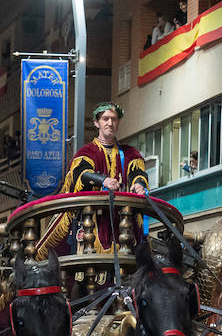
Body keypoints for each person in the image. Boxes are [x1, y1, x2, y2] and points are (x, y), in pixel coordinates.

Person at [35, 102, 149, 256]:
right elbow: (80, 173)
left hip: (124, 223)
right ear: (97, 123)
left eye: (114, 119)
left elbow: (138, 173)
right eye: (105, 119)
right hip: (93, 223)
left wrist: (139, 184)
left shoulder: (131, 153)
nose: (110, 123)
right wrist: (103, 180)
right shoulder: (87, 151)